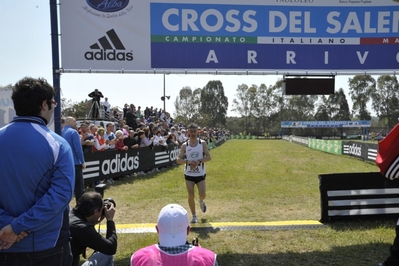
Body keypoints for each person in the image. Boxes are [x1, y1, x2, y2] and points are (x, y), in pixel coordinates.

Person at [0, 77, 75, 265]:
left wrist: (8, 225)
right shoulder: (58, 144)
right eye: (54, 103)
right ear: (44, 105)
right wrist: (16, 226)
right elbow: (61, 196)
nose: (54, 107)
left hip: (4, 240)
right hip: (46, 246)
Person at [130, 203, 217, 266]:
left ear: (157, 229)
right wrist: (199, 253)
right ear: (188, 230)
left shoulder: (137, 259)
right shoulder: (209, 259)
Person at [69, 192, 117, 266]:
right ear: (95, 212)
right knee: (107, 255)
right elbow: (110, 248)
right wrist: (110, 220)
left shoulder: (70, 216)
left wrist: (93, 222)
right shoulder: (83, 228)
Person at [176, 123, 212, 223]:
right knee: (191, 195)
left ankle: (201, 201)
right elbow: (178, 160)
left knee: (203, 194)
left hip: (200, 173)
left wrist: (199, 161)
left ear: (197, 132)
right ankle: (194, 216)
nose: (192, 133)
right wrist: (188, 162)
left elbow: (209, 157)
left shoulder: (202, 143)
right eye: (191, 131)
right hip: (189, 174)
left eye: (194, 131)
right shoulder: (185, 145)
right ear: (188, 132)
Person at [62, 116, 87, 202]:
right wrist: (82, 161)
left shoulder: (61, 132)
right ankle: (80, 207)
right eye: (74, 121)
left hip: (65, 163)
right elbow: (78, 149)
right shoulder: (73, 132)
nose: (76, 123)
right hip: (75, 163)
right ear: (69, 122)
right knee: (79, 188)